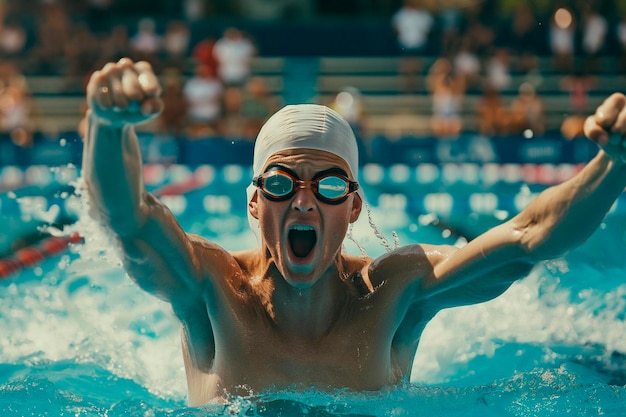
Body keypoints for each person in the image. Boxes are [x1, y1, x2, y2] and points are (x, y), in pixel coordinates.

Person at [82, 58, 626, 406]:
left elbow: (529, 238)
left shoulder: (394, 294)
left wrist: (615, 164)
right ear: (253, 202)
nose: (303, 200)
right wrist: (107, 128)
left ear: (355, 206)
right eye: (280, 182)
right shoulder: (213, 290)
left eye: (329, 187)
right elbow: (130, 221)